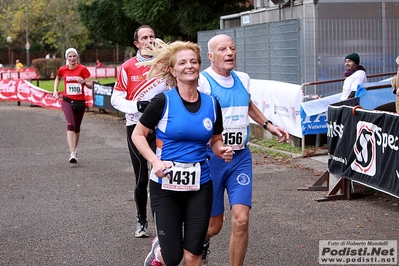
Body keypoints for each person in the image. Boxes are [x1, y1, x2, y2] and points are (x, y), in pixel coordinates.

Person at [132, 40, 234, 266]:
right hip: (165, 185)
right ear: (172, 69)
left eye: (193, 61)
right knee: (173, 257)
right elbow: (138, 135)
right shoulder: (163, 101)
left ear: (199, 65)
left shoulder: (211, 103)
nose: (189, 66)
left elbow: (215, 139)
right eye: (182, 63)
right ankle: (158, 253)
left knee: (193, 254)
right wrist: (154, 161)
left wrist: (221, 149)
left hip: (200, 185)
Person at [198, 34, 290, 266]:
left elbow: (248, 104)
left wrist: (269, 125)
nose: (229, 53)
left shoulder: (243, 78)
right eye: (222, 49)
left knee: (241, 220)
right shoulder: (203, 81)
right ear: (210, 56)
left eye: (232, 48)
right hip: (212, 159)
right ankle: (195, 243)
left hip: (240, 157)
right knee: (213, 226)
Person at [110, 25, 169, 238]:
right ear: (136, 43)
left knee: (160, 173)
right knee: (142, 178)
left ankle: (161, 224)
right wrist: (138, 106)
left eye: (152, 36)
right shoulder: (127, 67)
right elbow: (115, 99)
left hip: (161, 127)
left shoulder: (165, 63)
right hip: (136, 127)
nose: (149, 40)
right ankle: (141, 220)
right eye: (144, 37)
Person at [52, 48, 93, 163]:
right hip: (67, 100)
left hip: (80, 102)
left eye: (74, 56)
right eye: (70, 56)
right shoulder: (62, 69)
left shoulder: (83, 69)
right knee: (70, 124)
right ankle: (72, 153)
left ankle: (74, 149)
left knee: (77, 128)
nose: (72, 58)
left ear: (77, 57)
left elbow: (91, 85)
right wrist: (55, 90)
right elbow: (57, 78)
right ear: (66, 58)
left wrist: (84, 82)